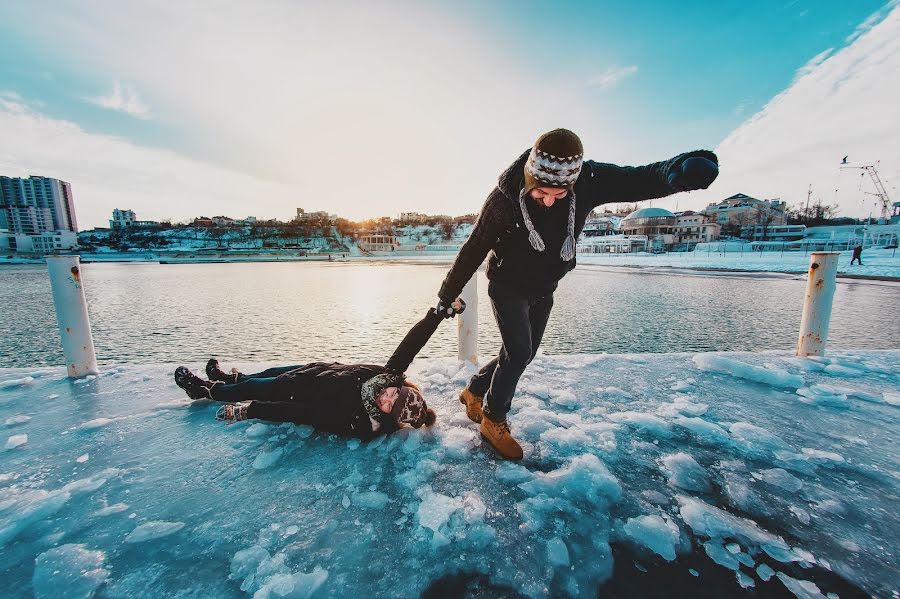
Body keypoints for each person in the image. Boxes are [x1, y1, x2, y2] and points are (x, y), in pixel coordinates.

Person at [436, 128, 719, 459]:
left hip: (544, 287)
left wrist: (679, 173)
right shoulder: (505, 198)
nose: (550, 200)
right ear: (529, 176)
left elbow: (639, 178)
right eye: (541, 193)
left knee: (521, 354)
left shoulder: (588, 180)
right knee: (518, 352)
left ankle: (474, 391)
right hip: (508, 286)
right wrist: (448, 293)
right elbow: (474, 247)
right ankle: (493, 418)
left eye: (560, 193)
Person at [173, 301, 465, 439]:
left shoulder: (356, 420)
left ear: (390, 418)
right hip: (316, 370)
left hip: (296, 392)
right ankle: (227, 377)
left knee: (249, 390)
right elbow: (412, 343)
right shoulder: (390, 374)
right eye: (394, 394)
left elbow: (302, 413)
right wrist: (437, 314)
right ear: (402, 387)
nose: (386, 398)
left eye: (391, 407)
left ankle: (204, 389)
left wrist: (249, 410)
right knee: (269, 371)